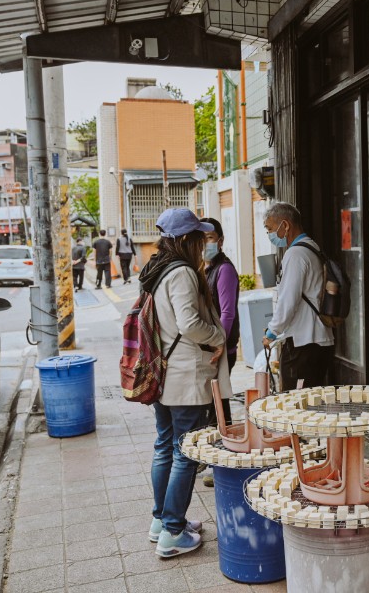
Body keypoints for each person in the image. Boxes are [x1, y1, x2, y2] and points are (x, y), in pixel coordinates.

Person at [140, 207, 232, 559]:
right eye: (199, 238)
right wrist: (218, 336)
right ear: (185, 240)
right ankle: (173, 533)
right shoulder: (181, 273)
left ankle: (162, 521)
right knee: (184, 453)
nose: (203, 244)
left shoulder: (157, 269)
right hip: (184, 376)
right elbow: (190, 323)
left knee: (165, 446)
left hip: (163, 374)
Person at [261, 202, 335, 390]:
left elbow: (288, 300)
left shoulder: (295, 254)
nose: (270, 235)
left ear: (285, 225)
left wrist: (271, 332)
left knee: (296, 405)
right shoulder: (312, 247)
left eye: (270, 229)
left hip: (304, 343)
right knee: (313, 401)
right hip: (320, 339)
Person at [199, 217, 239, 487]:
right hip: (215, 347)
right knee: (215, 405)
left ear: (220, 241)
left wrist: (219, 344)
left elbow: (227, 312)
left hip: (222, 348)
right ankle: (219, 458)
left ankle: (225, 461)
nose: (205, 244)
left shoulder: (224, 270)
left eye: (210, 239)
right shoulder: (207, 267)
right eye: (201, 240)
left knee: (220, 405)